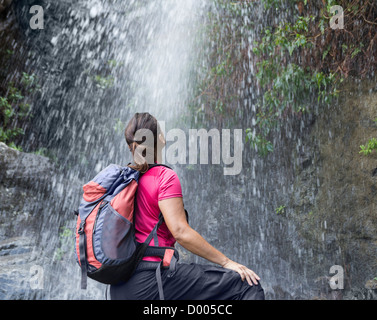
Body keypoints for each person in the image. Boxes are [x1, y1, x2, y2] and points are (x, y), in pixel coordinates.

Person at [110, 112, 264, 300]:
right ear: (161, 138)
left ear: (130, 146)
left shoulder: (123, 181)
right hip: (152, 281)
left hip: (120, 288)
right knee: (247, 286)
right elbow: (180, 232)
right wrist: (226, 262)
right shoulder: (163, 177)